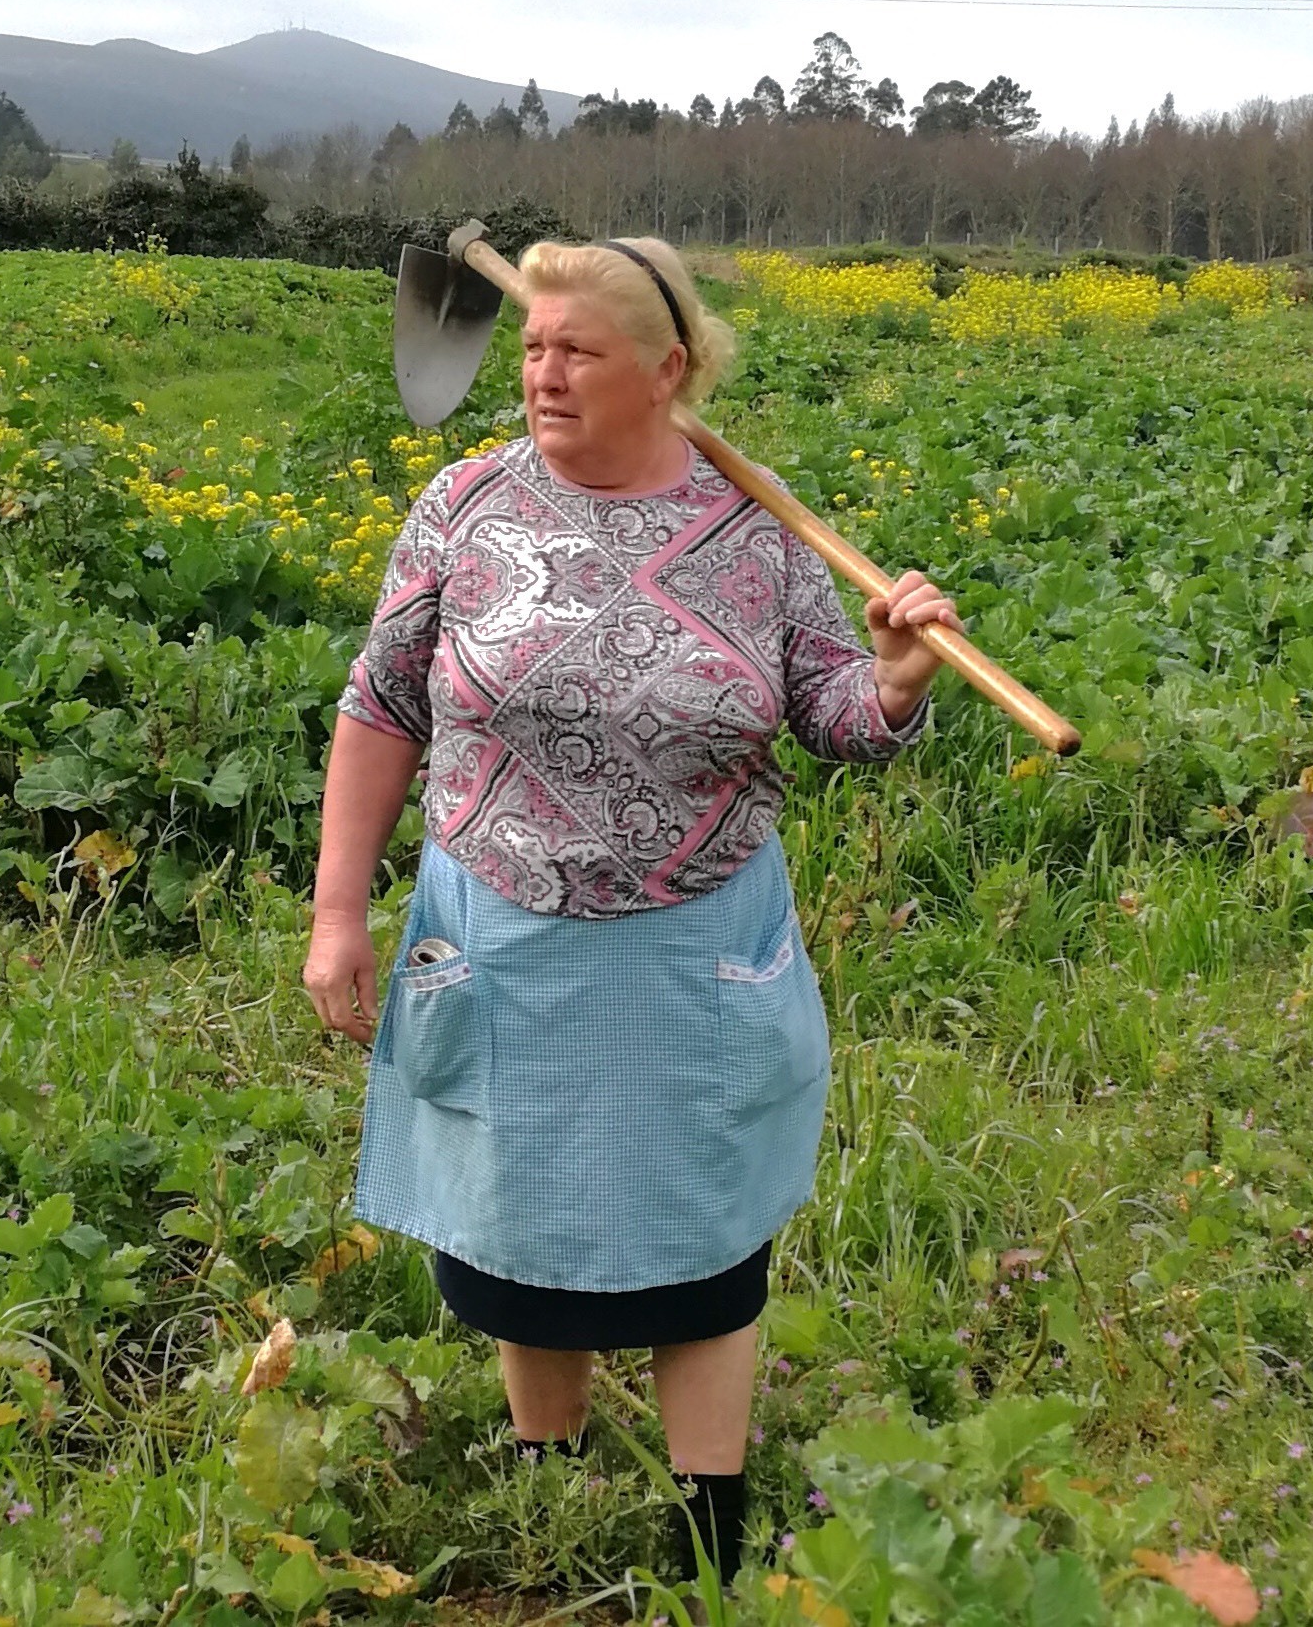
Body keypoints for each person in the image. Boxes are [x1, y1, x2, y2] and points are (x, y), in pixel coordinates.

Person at [301, 235, 962, 1596]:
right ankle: (546, 1479)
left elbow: (834, 716)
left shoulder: (760, 528)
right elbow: (382, 705)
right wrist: (337, 912)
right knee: (517, 1223)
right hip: (503, 935)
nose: (540, 375)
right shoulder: (465, 506)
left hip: (693, 946)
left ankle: (707, 1531)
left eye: (577, 352)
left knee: (700, 1238)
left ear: (666, 372)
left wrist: (895, 682)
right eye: (532, 346)